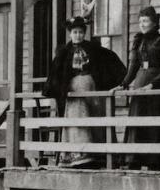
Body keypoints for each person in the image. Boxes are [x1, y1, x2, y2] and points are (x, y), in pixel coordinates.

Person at [43, 16, 126, 167]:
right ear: (70, 34)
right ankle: (79, 155)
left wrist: (118, 79)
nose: (78, 35)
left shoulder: (92, 48)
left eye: (80, 32)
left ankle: (98, 155)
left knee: (96, 118)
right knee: (77, 118)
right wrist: (58, 88)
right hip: (74, 92)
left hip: (92, 88)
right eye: (75, 32)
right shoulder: (64, 51)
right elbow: (56, 71)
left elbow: (110, 59)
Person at [119, 6, 160, 170]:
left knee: (155, 124)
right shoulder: (138, 40)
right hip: (140, 85)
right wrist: (123, 83)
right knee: (138, 122)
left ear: (154, 23)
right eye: (140, 21)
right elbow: (133, 66)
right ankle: (134, 159)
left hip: (156, 86)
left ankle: (156, 160)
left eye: (145, 21)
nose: (142, 24)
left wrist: (153, 85)